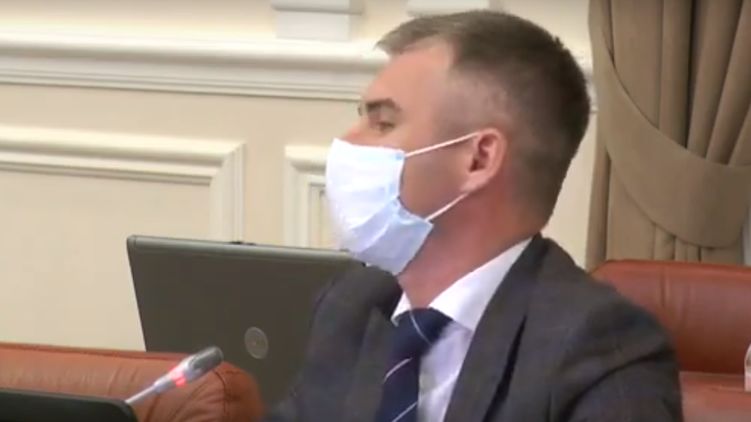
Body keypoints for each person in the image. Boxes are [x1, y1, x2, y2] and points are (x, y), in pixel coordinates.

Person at [265, 10, 682, 422]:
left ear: (478, 159)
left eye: (384, 123)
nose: (347, 142)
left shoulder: (600, 347)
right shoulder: (352, 305)